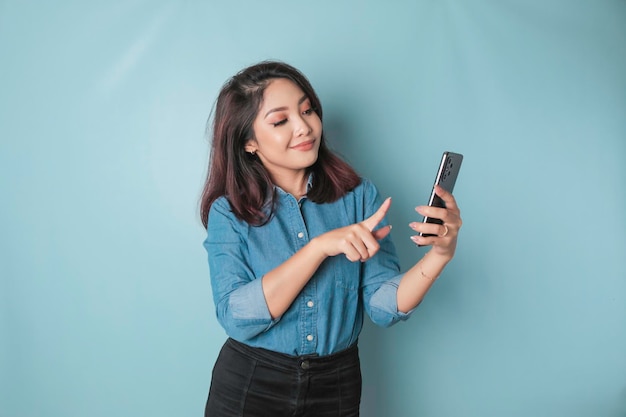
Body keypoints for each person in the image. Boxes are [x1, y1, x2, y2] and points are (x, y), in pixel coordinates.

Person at [199, 60, 462, 417]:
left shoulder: (358, 197)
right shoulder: (228, 213)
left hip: (335, 385)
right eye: (281, 121)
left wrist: (440, 255)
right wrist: (319, 248)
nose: (304, 127)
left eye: (307, 110)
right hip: (252, 384)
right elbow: (236, 316)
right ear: (248, 142)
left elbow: (384, 306)